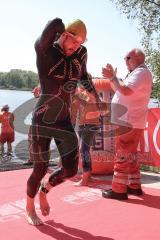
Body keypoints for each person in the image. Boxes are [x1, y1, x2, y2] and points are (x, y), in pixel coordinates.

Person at [26, 18, 101, 225]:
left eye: (79, 44)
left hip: (63, 118)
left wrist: (94, 94)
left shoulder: (81, 54)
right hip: (43, 117)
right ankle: (30, 207)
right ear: (64, 35)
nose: (76, 48)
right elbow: (53, 25)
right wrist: (62, 28)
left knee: (70, 169)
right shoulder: (45, 51)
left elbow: (83, 76)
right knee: (40, 168)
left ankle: (45, 190)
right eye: (73, 42)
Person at [101, 48, 153, 200]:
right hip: (131, 120)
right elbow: (119, 89)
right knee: (130, 154)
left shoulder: (141, 73)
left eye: (127, 57)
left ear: (137, 58)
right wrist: (113, 79)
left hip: (128, 121)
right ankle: (134, 186)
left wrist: (113, 77)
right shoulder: (138, 73)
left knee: (123, 154)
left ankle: (119, 190)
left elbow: (126, 91)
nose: (125, 61)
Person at [71, 85, 103, 186]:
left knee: (83, 150)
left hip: (92, 125)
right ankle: (88, 176)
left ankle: (85, 180)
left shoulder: (92, 93)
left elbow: (99, 105)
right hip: (81, 126)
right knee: (85, 151)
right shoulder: (76, 96)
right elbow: (74, 114)